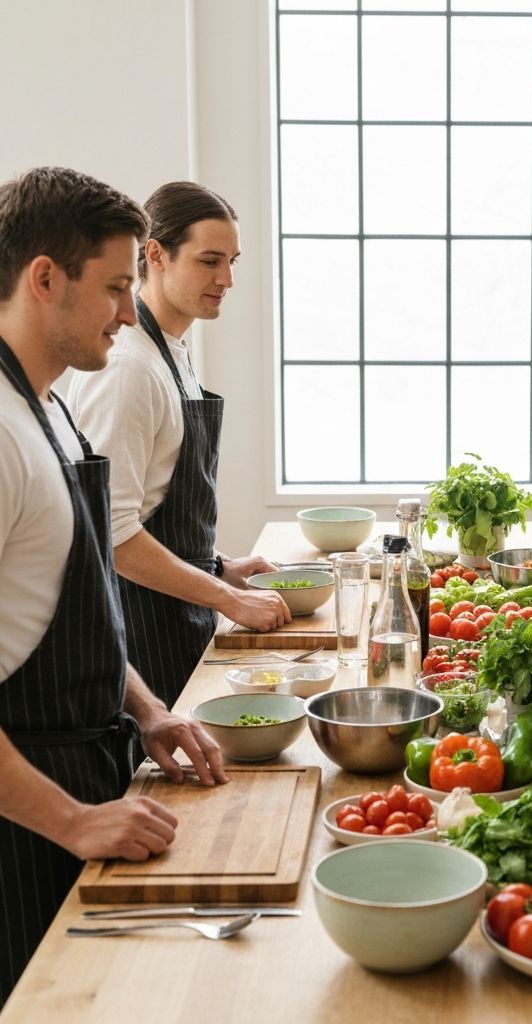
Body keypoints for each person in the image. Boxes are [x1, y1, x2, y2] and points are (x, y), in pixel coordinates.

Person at [0, 166, 229, 1004]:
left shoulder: (50, 405)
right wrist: (69, 818)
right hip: (28, 815)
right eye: (115, 287)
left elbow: (78, 596)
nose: (130, 314)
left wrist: (147, 707)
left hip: (93, 764)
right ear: (44, 278)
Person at [69, 182, 289, 709]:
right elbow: (114, 532)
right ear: (156, 255)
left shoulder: (170, 352)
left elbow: (152, 497)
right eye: (210, 260)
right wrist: (228, 597)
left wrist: (216, 565)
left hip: (178, 613)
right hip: (140, 629)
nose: (227, 279)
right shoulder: (127, 368)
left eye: (232, 261)